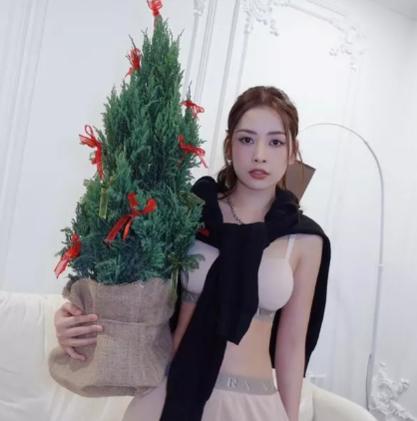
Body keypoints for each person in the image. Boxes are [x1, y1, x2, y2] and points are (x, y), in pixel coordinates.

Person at [54, 86, 330, 421]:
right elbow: (131, 292)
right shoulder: (189, 212)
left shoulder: (304, 239)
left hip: (252, 406)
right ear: (229, 146)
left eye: (275, 142)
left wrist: (291, 416)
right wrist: (71, 318)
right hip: (168, 395)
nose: (259, 155)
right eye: (246, 139)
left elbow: (292, 344)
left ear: (292, 151)